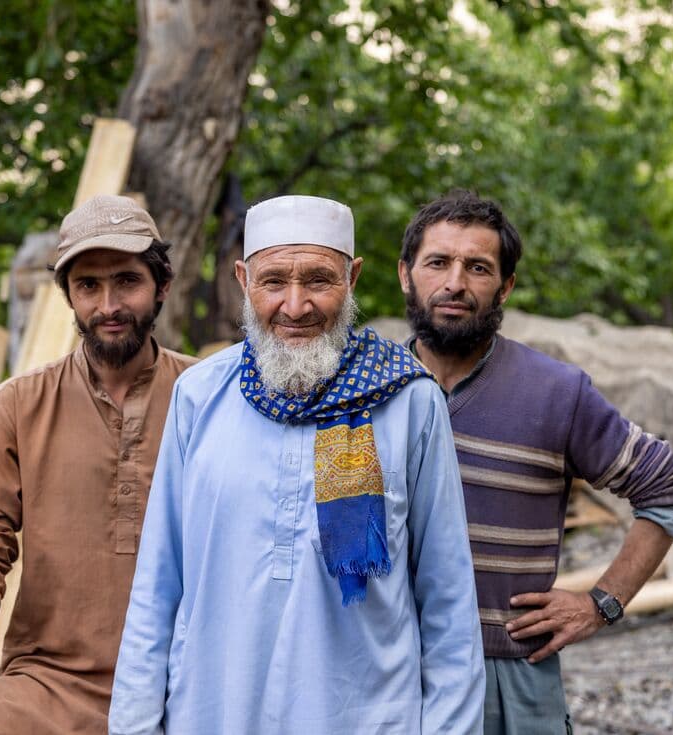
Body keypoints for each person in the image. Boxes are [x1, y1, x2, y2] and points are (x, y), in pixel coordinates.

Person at [109, 194, 484, 735]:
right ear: (244, 281)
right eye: (273, 281)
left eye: (318, 280)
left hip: (366, 718)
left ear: (352, 278)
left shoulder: (409, 401)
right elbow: (157, 584)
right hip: (214, 713)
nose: (295, 305)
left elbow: (448, 598)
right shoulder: (199, 395)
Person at [398, 190, 673, 734]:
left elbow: (668, 487)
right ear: (405, 274)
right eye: (437, 262)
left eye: (478, 268)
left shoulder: (555, 393)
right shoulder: (366, 391)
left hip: (509, 682)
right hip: (387, 673)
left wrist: (602, 603)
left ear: (505, 286)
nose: (455, 283)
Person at [0, 195, 196, 735]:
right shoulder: (18, 405)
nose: (108, 305)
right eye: (88, 285)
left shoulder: (206, 398)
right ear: (68, 295)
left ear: (162, 285)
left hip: (185, 680)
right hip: (48, 683)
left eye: (127, 281)